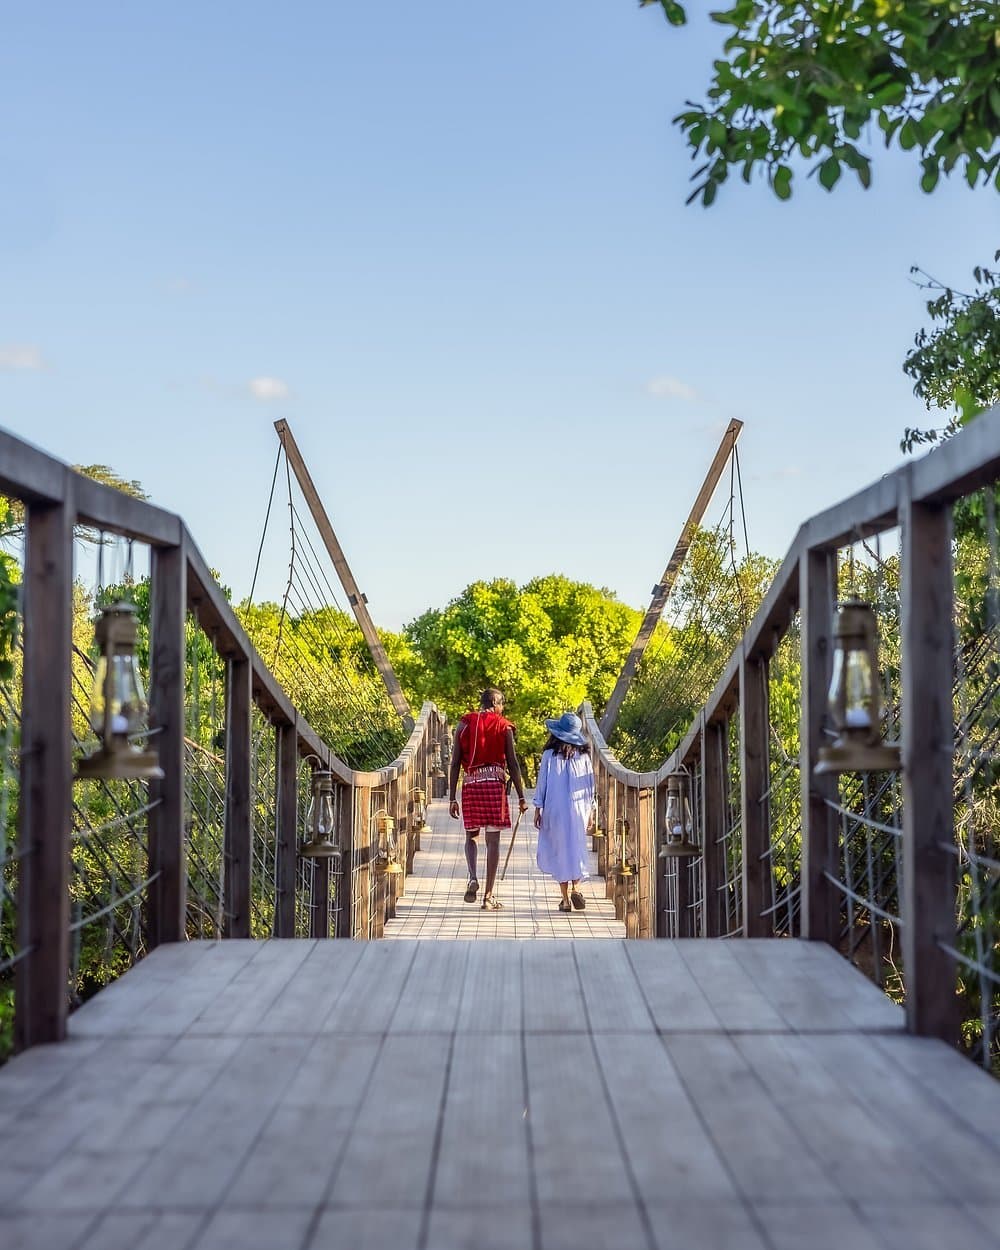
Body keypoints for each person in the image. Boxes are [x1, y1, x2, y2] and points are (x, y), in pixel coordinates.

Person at [449, 687, 528, 910]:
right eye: (501, 704)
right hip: (494, 785)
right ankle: (488, 896)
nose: (502, 709)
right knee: (493, 841)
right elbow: (512, 763)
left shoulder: (464, 724)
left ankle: (473, 876)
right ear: (495, 702)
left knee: (471, 836)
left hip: (472, 784)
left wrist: (452, 798)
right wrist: (522, 797)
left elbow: (455, 762)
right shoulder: (504, 727)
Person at [533, 712, 594, 913]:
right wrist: (591, 812)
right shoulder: (584, 756)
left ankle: (565, 900)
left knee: (560, 850)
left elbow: (542, 783)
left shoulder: (549, 756)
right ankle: (577, 888)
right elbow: (589, 786)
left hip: (554, 809)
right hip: (578, 809)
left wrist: (537, 808)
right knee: (575, 847)